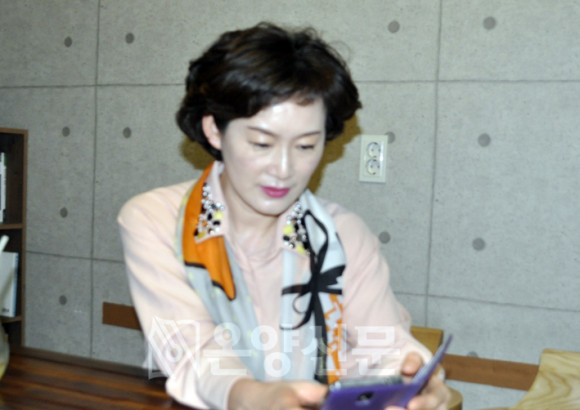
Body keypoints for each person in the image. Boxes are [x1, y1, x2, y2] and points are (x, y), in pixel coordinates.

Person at [118, 22, 450, 410]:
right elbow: (193, 354)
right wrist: (256, 397)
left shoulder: (342, 235)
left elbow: (387, 345)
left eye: (306, 146)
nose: (284, 169)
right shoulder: (158, 221)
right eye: (262, 143)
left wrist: (413, 379)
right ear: (214, 130)